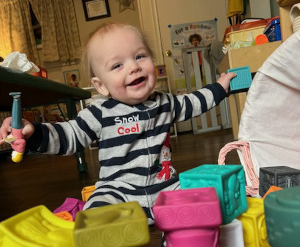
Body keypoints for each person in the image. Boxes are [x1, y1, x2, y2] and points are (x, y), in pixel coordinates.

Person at [0, 23, 236, 225]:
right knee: (96, 211)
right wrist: (34, 134)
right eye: (117, 65)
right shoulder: (100, 112)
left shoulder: (165, 103)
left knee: (205, 200)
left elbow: (193, 102)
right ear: (101, 85)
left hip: (165, 186)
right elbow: (70, 135)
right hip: (118, 190)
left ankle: (181, 240)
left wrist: (220, 87)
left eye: (140, 56)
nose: (134, 67)